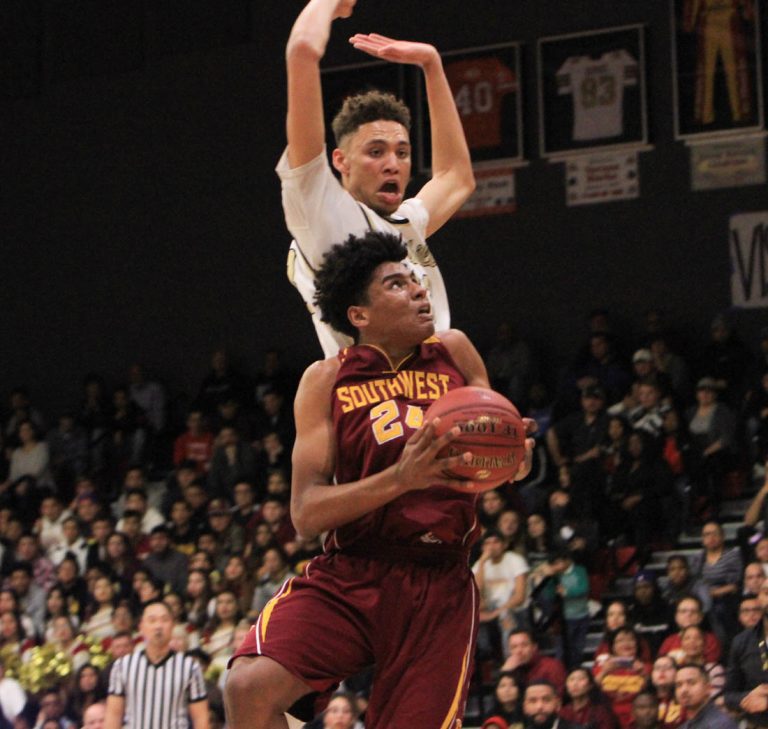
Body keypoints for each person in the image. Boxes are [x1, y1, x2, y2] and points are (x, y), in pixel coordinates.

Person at [224, 231, 533, 728]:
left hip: (438, 579)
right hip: (353, 571)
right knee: (248, 686)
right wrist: (400, 478)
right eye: (396, 284)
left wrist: (518, 456)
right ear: (359, 316)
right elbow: (305, 513)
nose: (417, 289)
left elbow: (499, 460)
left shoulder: (455, 352)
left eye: (415, 279)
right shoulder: (326, 380)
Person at [278, 0, 475, 357]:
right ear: (340, 161)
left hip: (434, 393)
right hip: (372, 402)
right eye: (376, 152)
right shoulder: (324, 216)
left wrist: (432, 66)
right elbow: (302, 51)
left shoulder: (403, 223)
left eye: (401, 152)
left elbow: (456, 176)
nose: (393, 164)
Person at [105, 601, 208, 729]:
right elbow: (113, 715)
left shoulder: (190, 667)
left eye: (164, 620)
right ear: (141, 627)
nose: (158, 626)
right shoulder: (122, 666)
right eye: (152, 620)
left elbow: (201, 717)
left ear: (172, 625)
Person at [724, 580, 768, 727]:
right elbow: (729, 695)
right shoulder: (741, 641)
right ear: (759, 599)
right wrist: (748, 696)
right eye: (766, 592)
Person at [675, 664, 736, 729]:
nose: (684, 690)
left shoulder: (720, 724)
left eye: (691, 683)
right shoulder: (684, 726)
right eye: (679, 685)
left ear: (708, 688)